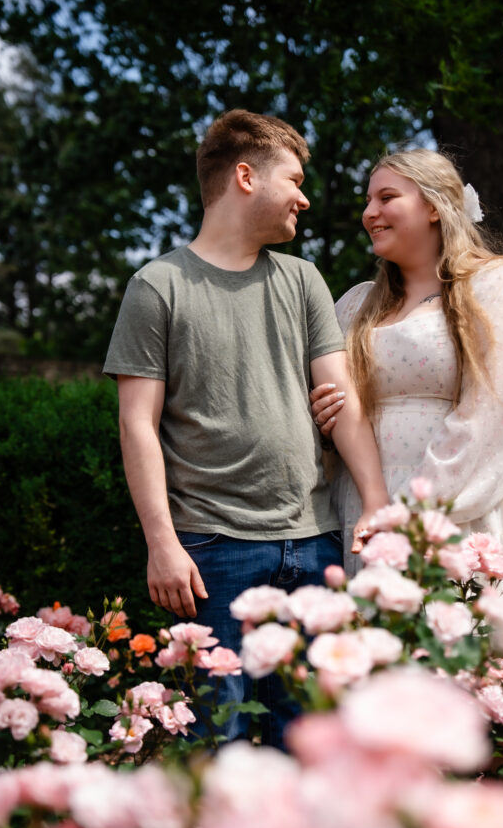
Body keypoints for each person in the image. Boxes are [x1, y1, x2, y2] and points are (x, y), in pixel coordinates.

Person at [104, 109, 388, 748]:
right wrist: (162, 543)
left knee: (310, 736)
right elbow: (138, 426)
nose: (305, 198)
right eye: (293, 179)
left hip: (312, 543)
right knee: (218, 737)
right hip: (213, 551)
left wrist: (374, 502)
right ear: (244, 176)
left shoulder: (302, 278)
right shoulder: (158, 287)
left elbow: (340, 399)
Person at [310, 148, 503, 631]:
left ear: (435, 206)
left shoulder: (498, 286)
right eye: (367, 199)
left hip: (471, 503)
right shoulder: (354, 306)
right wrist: (323, 416)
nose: (369, 212)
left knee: (480, 659)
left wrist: (415, 514)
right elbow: (334, 408)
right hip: (364, 503)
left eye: (387, 197)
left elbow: (496, 410)